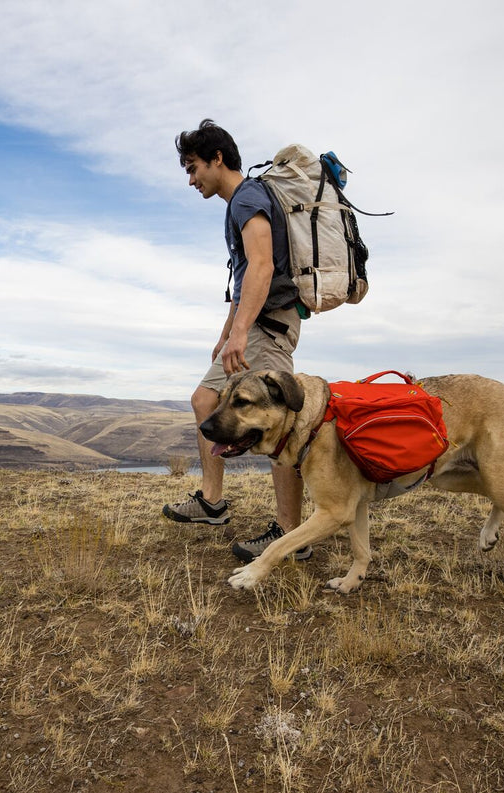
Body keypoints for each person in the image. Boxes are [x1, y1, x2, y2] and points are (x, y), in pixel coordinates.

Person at [163, 119, 309, 563]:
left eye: (193, 168)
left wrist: (242, 331)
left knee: (279, 422)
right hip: (251, 322)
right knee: (205, 401)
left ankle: (290, 534)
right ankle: (212, 502)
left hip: (268, 325)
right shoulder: (239, 204)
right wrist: (226, 331)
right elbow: (242, 277)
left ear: (217, 159)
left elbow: (262, 266)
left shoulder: (248, 197)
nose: (191, 180)